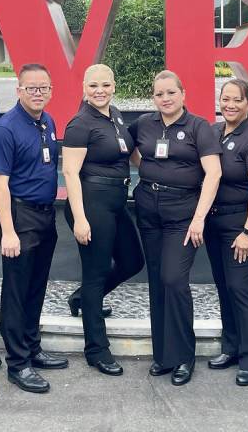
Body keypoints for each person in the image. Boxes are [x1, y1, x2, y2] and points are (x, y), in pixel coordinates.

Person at [129, 70, 222, 386]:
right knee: (157, 280)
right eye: (159, 94)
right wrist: (150, 172)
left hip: (184, 216)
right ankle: (163, 356)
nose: (165, 99)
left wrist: (199, 218)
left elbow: (213, 174)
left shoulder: (199, 127)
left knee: (173, 280)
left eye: (171, 92)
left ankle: (184, 356)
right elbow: (129, 150)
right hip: (148, 212)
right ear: (153, 98)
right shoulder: (144, 124)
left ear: (183, 94)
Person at [0, 63, 69, 393]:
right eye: (31, 88)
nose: (38, 93)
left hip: (45, 214)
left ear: (51, 91)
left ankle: (32, 347)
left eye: (44, 88)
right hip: (19, 217)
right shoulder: (5, 129)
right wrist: (8, 231)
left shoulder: (46, 122)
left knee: (36, 286)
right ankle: (18, 363)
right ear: (18, 90)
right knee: (17, 290)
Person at [62, 64, 145, 375]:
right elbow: (70, 172)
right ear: (84, 87)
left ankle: (83, 298)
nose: (100, 90)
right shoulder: (80, 123)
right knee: (96, 273)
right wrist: (80, 218)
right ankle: (97, 349)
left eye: (105, 85)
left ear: (114, 85)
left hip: (116, 201)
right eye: (94, 85)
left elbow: (131, 154)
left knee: (132, 261)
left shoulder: (116, 116)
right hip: (91, 204)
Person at [205, 79, 248, 386]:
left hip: (243, 226)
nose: (230, 105)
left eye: (237, 100)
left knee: (240, 288)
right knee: (224, 286)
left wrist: (247, 231)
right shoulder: (215, 132)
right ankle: (230, 348)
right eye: (225, 99)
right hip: (215, 223)